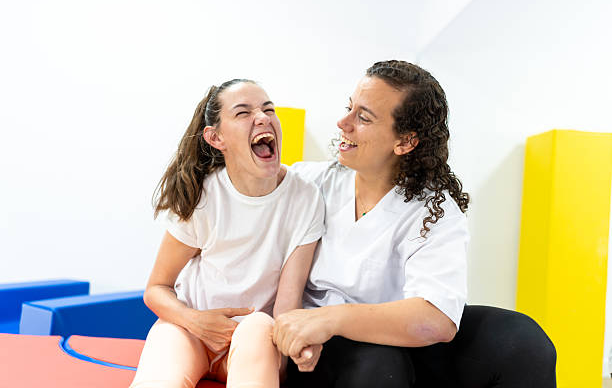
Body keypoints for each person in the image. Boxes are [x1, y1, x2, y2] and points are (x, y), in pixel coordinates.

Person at [273, 60, 557, 387]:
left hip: (391, 342)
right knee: (378, 363)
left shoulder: (434, 210)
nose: (343, 123)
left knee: (521, 341)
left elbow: (437, 319)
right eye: (349, 108)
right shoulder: (310, 182)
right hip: (323, 353)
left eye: (363, 117)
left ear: (405, 142)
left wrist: (332, 318)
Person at [130, 79, 325, 388]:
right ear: (216, 137)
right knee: (165, 352)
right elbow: (156, 288)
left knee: (258, 324)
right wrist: (196, 321)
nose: (262, 118)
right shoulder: (203, 197)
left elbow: (287, 304)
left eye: (268, 109)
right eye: (244, 113)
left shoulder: (306, 196)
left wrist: (297, 346)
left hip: (255, 338)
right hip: (192, 331)